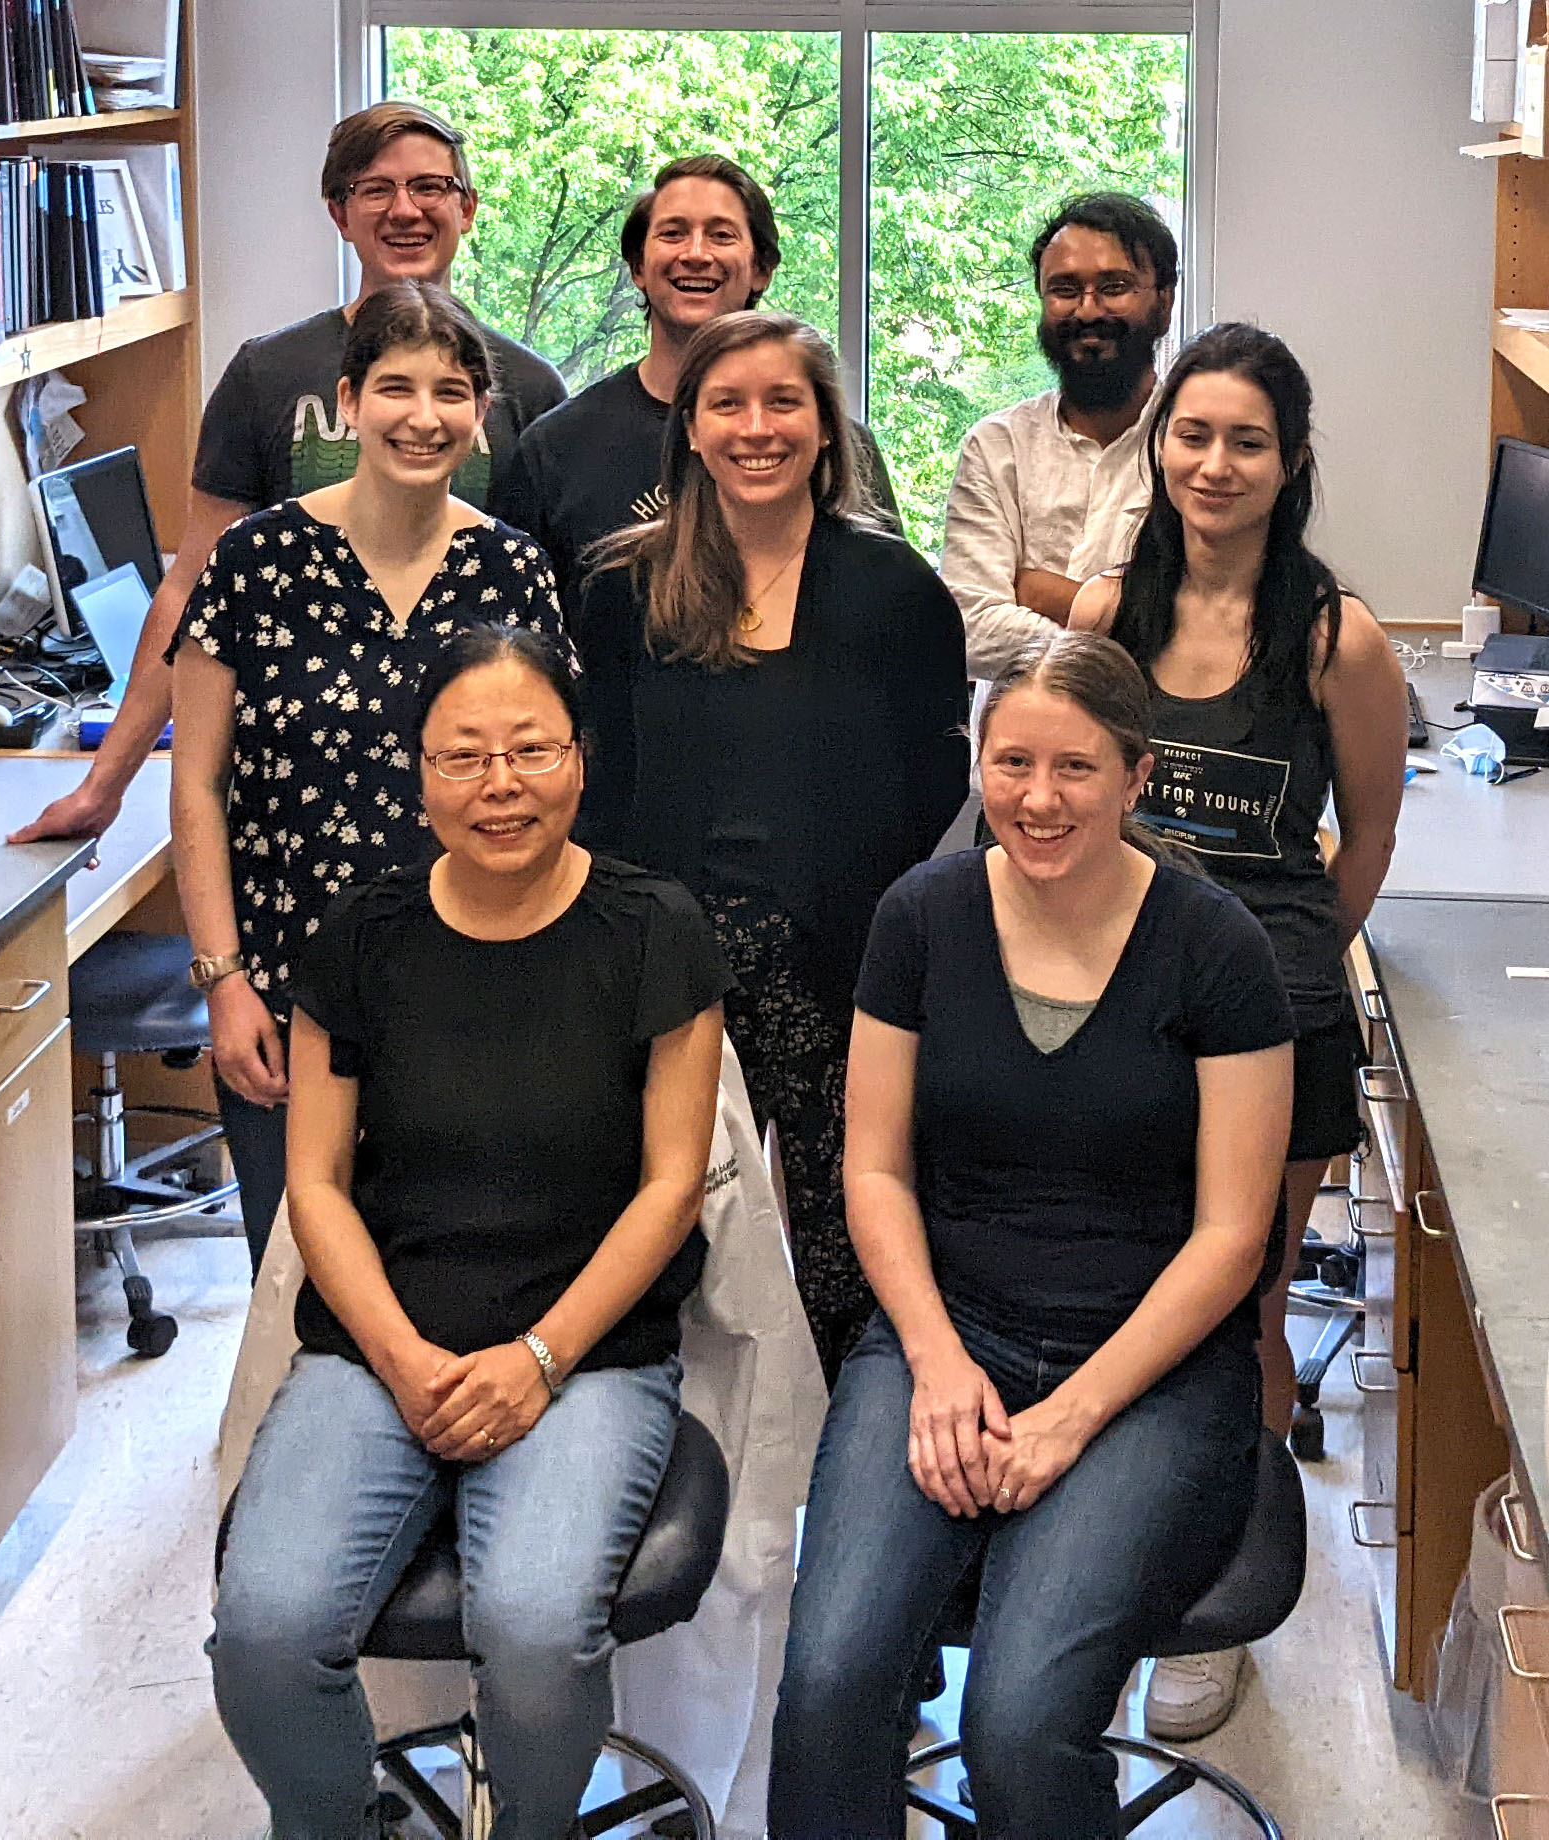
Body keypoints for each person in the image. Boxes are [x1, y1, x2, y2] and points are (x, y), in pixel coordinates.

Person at [768, 630, 1295, 1840]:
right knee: (830, 1688)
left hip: (1152, 1372)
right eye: (1010, 764)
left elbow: (1229, 1237)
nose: (1037, 799)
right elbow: (875, 1169)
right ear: (976, 760)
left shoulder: (1218, 950)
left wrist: (1069, 1413)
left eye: (1073, 769)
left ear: (1135, 775)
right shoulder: (921, 916)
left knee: (1017, 1720)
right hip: (941, 1336)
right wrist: (937, 1358)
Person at [210, 624, 732, 1840]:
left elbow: (670, 1190)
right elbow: (320, 1185)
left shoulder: (655, 929)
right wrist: (399, 1357)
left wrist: (537, 1358)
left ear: (580, 760)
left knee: (538, 1634)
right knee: (268, 1636)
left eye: (530, 749)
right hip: (379, 1348)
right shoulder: (360, 936)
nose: (500, 785)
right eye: (464, 757)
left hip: (586, 1355)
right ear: (421, 773)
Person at [1070, 320, 1406, 1738]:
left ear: (1293, 463)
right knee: (1102, 1285)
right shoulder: (1106, 624)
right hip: (1101, 998)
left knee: (1247, 1307)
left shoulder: (1338, 639)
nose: (1215, 464)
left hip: (1270, 1018)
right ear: (1163, 449)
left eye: (1247, 441)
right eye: (1194, 436)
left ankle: (1210, 1598)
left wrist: (1283, 973)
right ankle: (1094, 1565)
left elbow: (1368, 836)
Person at [580, 309, 967, 1386]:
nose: (758, 428)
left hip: (842, 968)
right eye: (728, 404)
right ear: (690, 430)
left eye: (783, 402)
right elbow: (596, 786)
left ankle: (847, 1473)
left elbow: (934, 777)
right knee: (675, 1233)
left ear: (827, 427)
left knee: (848, 1246)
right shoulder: (621, 591)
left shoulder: (896, 591)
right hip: (664, 968)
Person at [13, 100, 565, 846]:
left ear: (466, 209)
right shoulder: (265, 374)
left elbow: (545, 613)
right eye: (377, 189)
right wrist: (102, 786)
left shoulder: (524, 387)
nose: (406, 209)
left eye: (430, 188)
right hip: (296, 784)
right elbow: (192, 588)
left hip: (473, 789)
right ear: (340, 214)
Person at [169, 283, 564, 1279]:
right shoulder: (255, 560)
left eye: (450, 391)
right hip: (284, 993)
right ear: (347, 403)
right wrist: (223, 983)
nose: (422, 416)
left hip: (471, 994)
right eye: (395, 387)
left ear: (481, 415)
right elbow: (198, 785)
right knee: (292, 1292)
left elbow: (543, 794)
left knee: (457, 1284)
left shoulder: (511, 572)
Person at [494, 153, 898, 615]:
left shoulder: (829, 447)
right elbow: (519, 639)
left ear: (761, 268)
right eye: (673, 233)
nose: (696, 254)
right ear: (638, 268)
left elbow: (886, 609)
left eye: (721, 235)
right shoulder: (555, 448)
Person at [940, 191, 1175, 736]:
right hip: (1016, 770)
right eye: (1064, 290)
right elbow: (969, 628)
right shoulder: (997, 447)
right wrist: (1132, 635)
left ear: (1163, 302)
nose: (1088, 310)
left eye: (1114, 286)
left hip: (1163, 759)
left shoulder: (1193, 448)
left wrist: (1046, 594)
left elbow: (1212, 633)